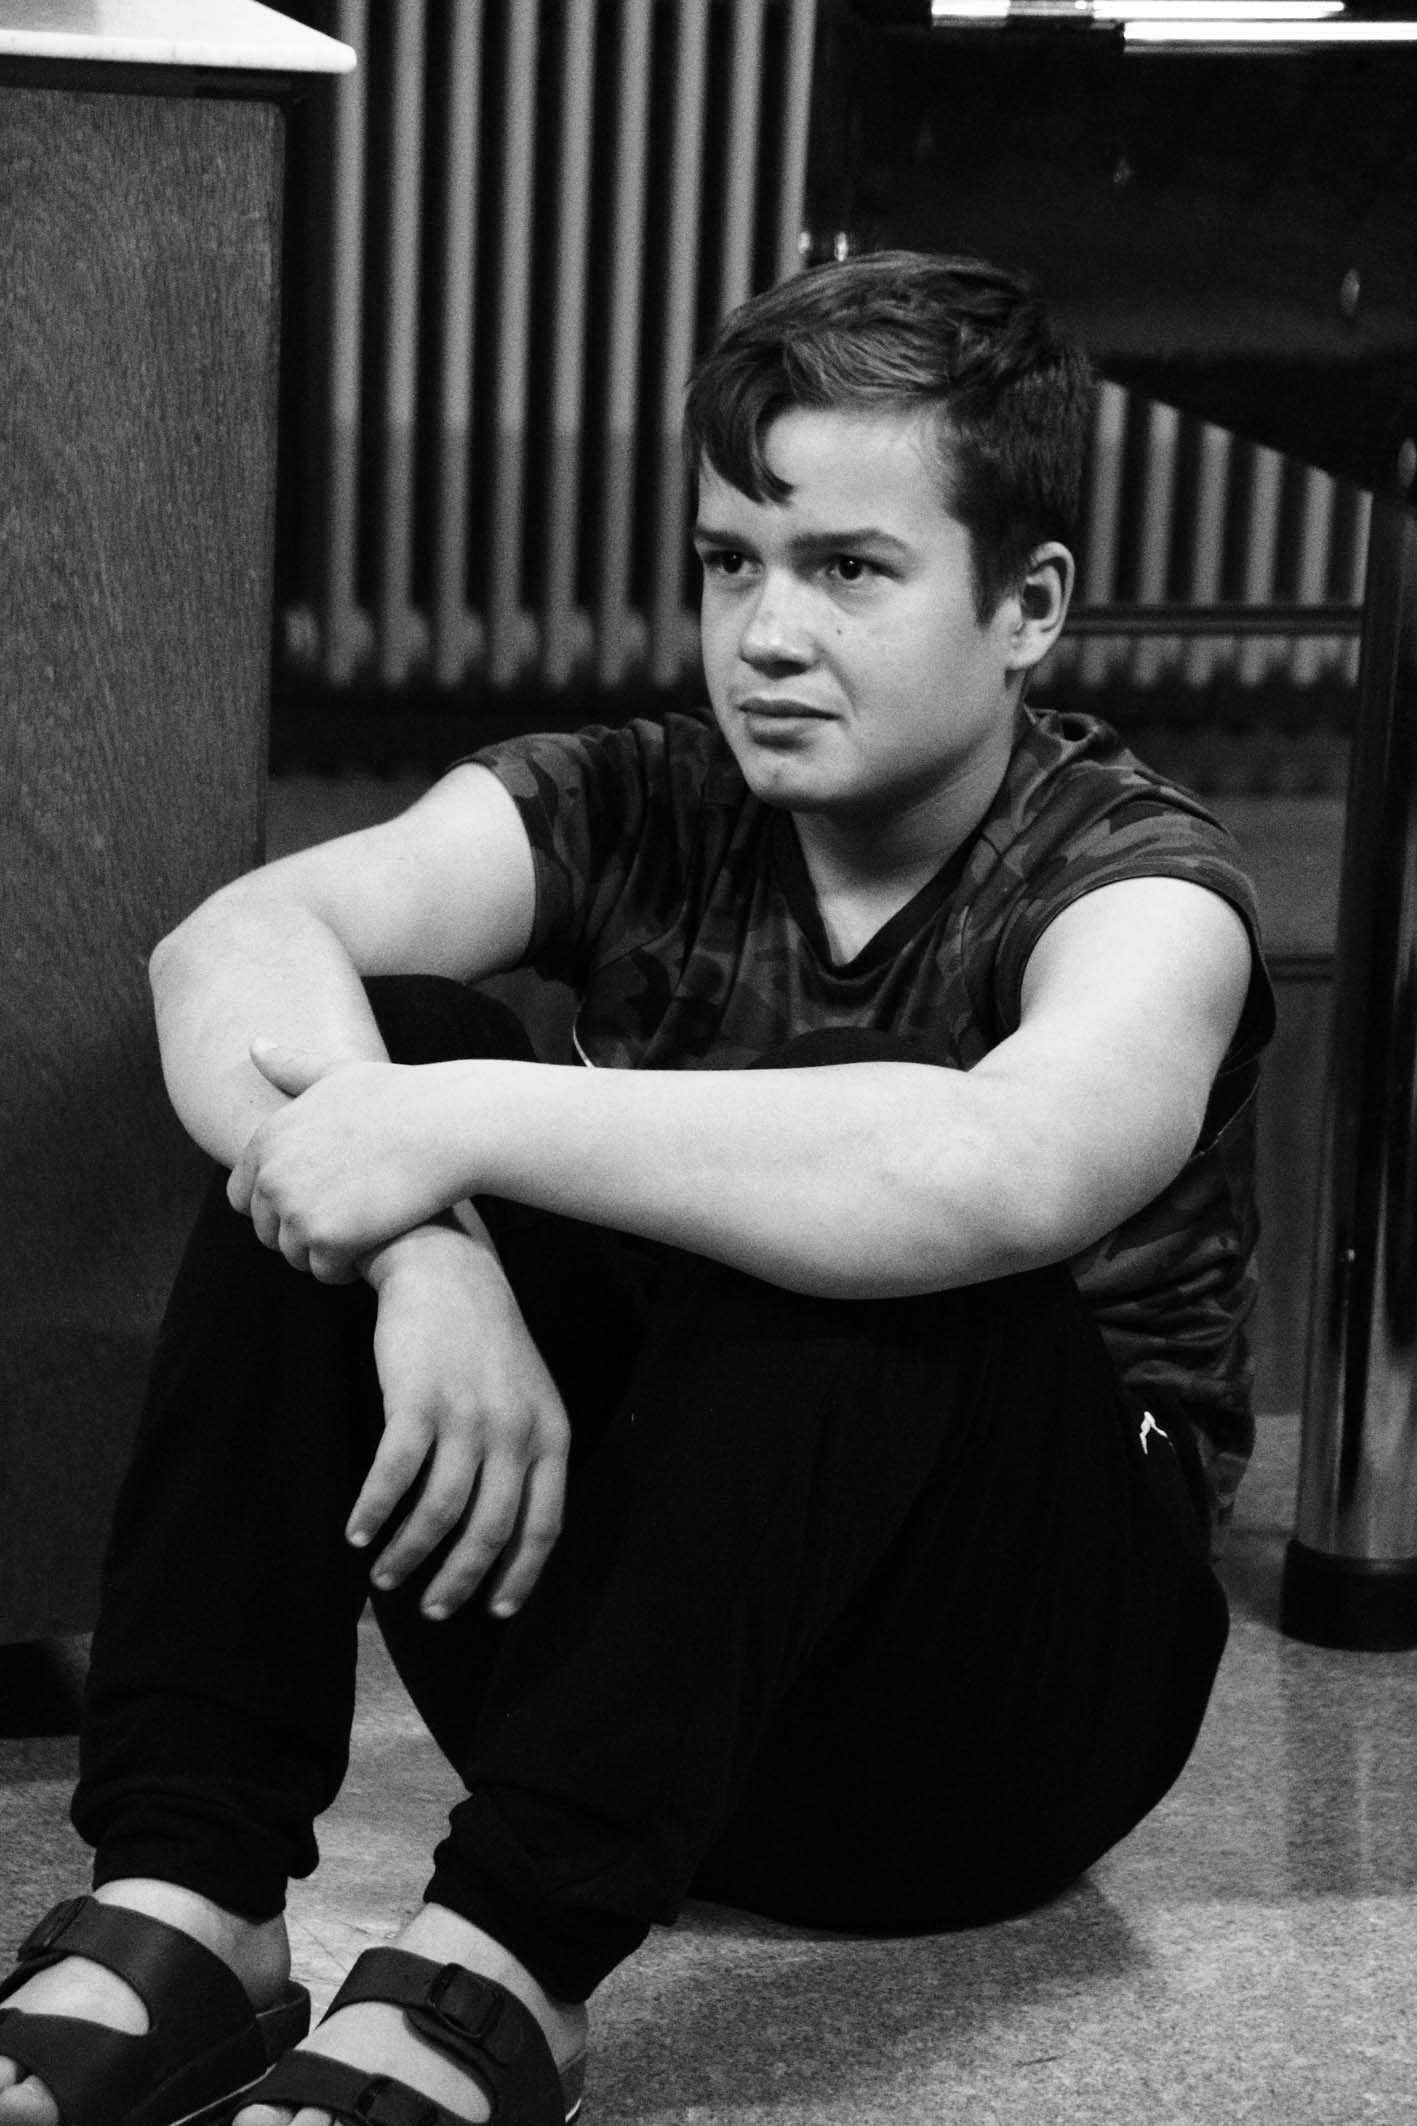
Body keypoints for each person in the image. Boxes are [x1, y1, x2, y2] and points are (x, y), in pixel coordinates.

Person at [0, 249, 1272, 2126]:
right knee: (370, 1035)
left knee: (836, 1168)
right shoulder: (640, 800)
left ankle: (500, 1967)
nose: (764, 633)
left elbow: (997, 1166)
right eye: (727, 563)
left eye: (848, 569)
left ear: (1027, 607)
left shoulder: (1139, 884)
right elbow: (231, 945)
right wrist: (427, 1249)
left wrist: (454, 1127)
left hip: (989, 1732)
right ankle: (191, 1896)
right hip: (632, 1673)